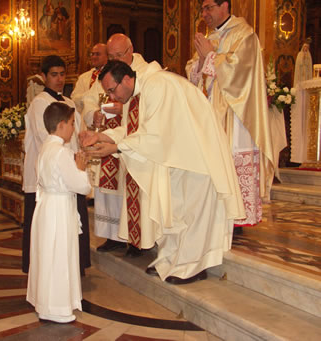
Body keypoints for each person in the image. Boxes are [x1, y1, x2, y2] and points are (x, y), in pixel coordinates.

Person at [81, 60, 245, 284]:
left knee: (191, 214)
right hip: (176, 158)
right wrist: (102, 137)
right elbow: (134, 130)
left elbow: (155, 135)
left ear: (127, 79)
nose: (112, 97)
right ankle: (170, 260)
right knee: (175, 212)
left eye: (112, 90)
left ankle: (192, 266)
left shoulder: (159, 85)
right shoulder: (138, 92)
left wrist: (116, 148)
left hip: (196, 158)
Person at [186, 0, 274, 233]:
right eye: (202, 9)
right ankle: (214, 217)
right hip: (210, 115)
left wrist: (210, 57)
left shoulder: (245, 35)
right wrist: (203, 60)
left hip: (236, 116)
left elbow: (240, 71)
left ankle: (236, 220)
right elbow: (193, 73)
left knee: (231, 162)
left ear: (224, 5)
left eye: (209, 8)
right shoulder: (210, 38)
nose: (204, 14)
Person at [82, 33, 161, 257]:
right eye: (112, 55)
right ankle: (114, 236)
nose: (116, 59)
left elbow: (144, 124)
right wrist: (95, 114)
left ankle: (139, 240)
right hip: (119, 138)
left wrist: (121, 109)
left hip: (136, 147)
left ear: (131, 50)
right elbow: (88, 100)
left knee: (138, 192)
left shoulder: (147, 75)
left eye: (119, 54)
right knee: (110, 192)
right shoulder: (107, 75)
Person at [22, 55, 90, 276]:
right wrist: (72, 164)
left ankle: (74, 266)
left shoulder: (69, 103)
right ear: (43, 77)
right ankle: (43, 269)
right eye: (54, 74)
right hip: (50, 178)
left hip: (69, 172)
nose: (59, 79)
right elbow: (47, 139)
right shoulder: (39, 103)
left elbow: (77, 135)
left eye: (62, 74)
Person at [27, 102, 91, 324]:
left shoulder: (45, 149)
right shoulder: (62, 153)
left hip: (47, 208)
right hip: (59, 210)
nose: (73, 128)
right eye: (72, 123)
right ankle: (58, 308)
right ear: (61, 125)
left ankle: (46, 304)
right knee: (59, 255)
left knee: (48, 255)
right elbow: (81, 187)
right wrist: (81, 169)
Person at [71, 43, 108, 113]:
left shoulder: (110, 75)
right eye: (92, 54)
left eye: (97, 54)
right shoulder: (83, 77)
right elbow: (74, 99)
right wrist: (89, 96)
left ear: (107, 56)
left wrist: (85, 97)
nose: (94, 57)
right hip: (85, 118)